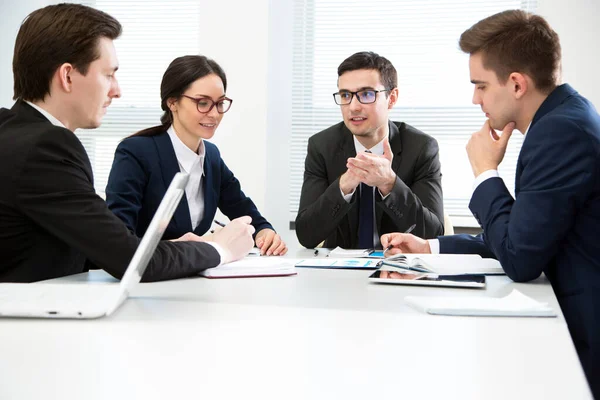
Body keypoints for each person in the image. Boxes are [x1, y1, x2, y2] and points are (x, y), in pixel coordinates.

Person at [380, 10, 600, 396]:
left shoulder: (559, 132)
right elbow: (528, 230)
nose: (474, 98)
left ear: (516, 84)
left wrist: (485, 171)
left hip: (585, 338)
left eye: (480, 86)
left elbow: (520, 257)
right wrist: (431, 247)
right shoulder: (560, 120)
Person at [0, 3, 255, 283]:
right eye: (109, 74)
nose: (117, 90)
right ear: (68, 76)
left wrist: (175, 249)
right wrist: (219, 248)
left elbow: (91, 248)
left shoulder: (14, 132)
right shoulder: (46, 147)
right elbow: (132, 262)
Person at [105, 55, 287, 256]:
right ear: (173, 102)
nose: (214, 114)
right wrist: (208, 242)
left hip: (195, 277)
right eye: (203, 103)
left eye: (220, 103)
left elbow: (243, 209)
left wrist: (265, 232)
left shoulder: (211, 156)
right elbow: (118, 240)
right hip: (145, 279)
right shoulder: (136, 152)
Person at [295, 51, 444, 249]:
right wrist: (345, 185)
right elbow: (306, 235)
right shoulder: (322, 147)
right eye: (345, 95)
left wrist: (389, 184)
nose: (353, 107)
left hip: (398, 272)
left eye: (366, 94)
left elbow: (433, 235)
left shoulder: (421, 149)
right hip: (339, 275)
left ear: (392, 98)